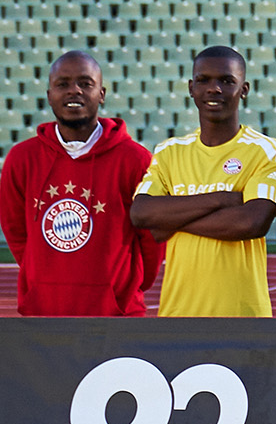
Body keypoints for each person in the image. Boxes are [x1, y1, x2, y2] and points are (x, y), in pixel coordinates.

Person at [129, 46, 276, 317]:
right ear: (191, 88)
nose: (214, 89)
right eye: (204, 80)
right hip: (177, 314)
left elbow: (251, 223)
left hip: (243, 315)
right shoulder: (170, 152)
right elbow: (141, 214)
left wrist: (172, 220)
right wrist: (222, 199)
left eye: (227, 81)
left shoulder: (267, 150)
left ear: (244, 89)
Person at [1, 51, 164, 315]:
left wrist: (123, 287)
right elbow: (16, 230)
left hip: (117, 315)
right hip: (42, 314)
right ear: (49, 95)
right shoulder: (22, 158)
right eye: (62, 84)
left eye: (85, 84)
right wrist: (40, 278)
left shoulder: (136, 159)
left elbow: (152, 238)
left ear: (102, 93)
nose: (74, 91)